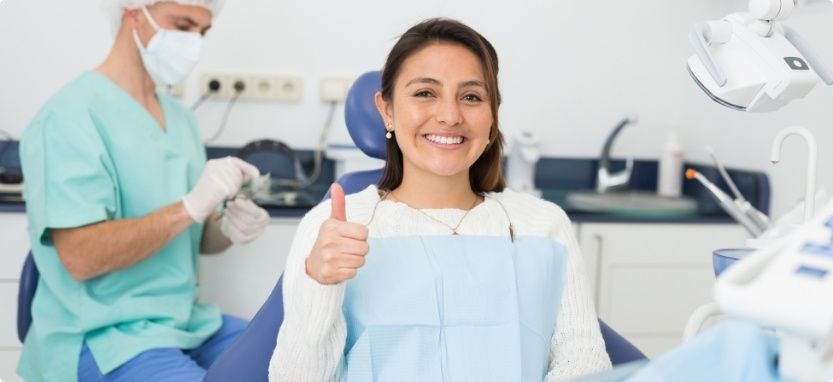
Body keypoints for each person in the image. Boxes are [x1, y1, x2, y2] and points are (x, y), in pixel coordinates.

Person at [269, 18, 612, 381]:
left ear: (492, 115)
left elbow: (585, 361)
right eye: (425, 93)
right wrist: (319, 285)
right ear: (386, 110)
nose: (450, 116)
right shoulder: (336, 227)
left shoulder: (542, 226)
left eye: (471, 97)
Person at [17, 1, 271, 381]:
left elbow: (193, 238)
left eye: (201, 32)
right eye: (182, 25)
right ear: (133, 12)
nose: (193, 43)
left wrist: (228, 229)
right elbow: (81, 257)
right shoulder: (69, 117)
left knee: (296, 357)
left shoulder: (180, 119)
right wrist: (189, 206)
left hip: (187, 322)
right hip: (104, 335)